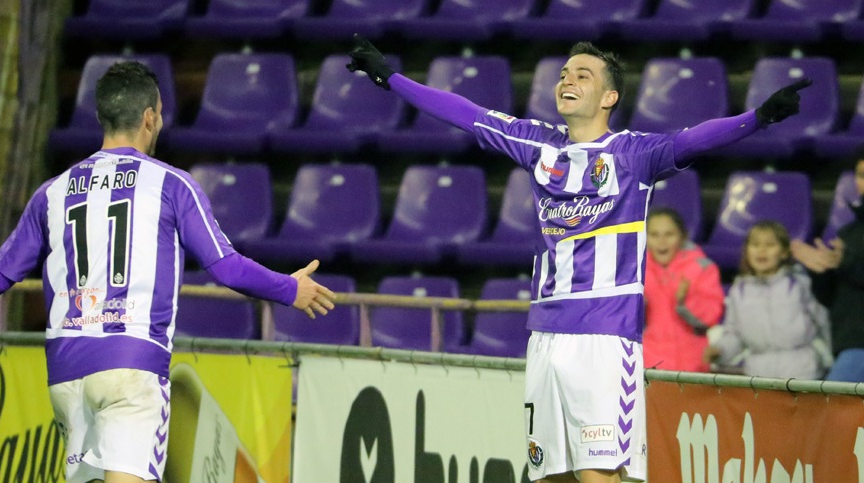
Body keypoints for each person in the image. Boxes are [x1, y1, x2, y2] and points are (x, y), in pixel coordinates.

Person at [346, 35, 809, 483]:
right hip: (544, 337)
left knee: (599, 476)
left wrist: (759, 117)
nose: (567, 79)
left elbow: (694, 141)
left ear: (609, 96)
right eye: (564, 73)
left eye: (582, 74)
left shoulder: (634, 155)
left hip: (603, 340)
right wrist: (391, 77)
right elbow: (464, 114)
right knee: (550, 476)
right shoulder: (539, 146)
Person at [0, 61, 337, 483]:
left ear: (102, 117)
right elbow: (226, 267)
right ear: (151, 117)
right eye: (161, 114)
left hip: (66, 373)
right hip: (132, 365)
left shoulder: (53, 192)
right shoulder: (171, 185)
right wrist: (288, 288)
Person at [703, 221, 831, 379]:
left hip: (802, 372)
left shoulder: (800, 284)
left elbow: (823, 322)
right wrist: (720, 350)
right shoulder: (739, 290)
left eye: (770, 245)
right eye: (755, 245)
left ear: (784, 252)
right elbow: (734, 334)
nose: (761, 251)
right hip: (758, 376)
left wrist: (832, 359)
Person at [792, 146, 864, 382]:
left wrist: (848, 262)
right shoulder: (849, 232)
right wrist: (821, 272)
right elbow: (832, 299)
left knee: (830, 412)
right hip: (848, 342)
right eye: (861, 175)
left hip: (856, 351)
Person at [643, 207, 724, 373]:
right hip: (647, 365)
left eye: (669, 234)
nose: (662, 241)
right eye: (654, 234)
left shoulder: (702, 267)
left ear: (682, 237)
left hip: (692, 365)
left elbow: (710, 318)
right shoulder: (634, 270)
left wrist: (685, 301)